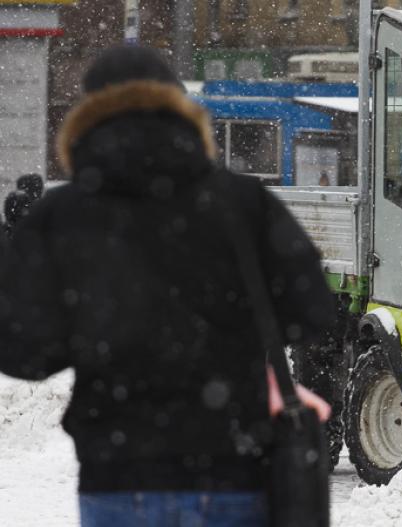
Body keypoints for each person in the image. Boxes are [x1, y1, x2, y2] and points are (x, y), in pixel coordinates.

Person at [0, 46, 336, 525]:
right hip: (233, 470)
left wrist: (94, 330)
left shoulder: (62, 216)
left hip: (117, 476)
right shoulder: (241, 203)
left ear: (86, 119)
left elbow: (22, 353)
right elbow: (314, 312)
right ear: (182, 112)